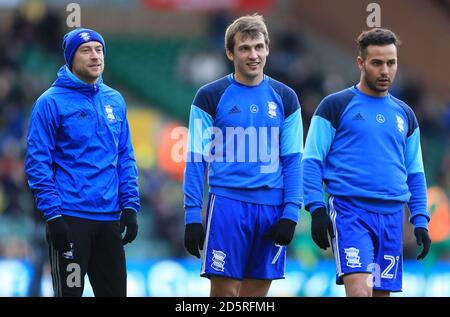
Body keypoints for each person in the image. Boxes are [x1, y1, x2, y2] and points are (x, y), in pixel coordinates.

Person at [302, 28, 431, 297]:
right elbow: (311, 160)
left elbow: (415, 173)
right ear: (361, 63)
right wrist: (316, 209)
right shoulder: (334, 106)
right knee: (360, 292)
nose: (385, 70)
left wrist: (420, 219)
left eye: (391, 63)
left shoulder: (405, 115)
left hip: (393, 218)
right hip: (351, 213)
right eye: (377, 63)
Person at [183, 14, 303, 297]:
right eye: (245, 48)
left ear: (268, 49)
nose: (254, 55)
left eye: (259, 47)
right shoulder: (209, 96)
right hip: (227, 206)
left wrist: (291, 213)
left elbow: (293, 161)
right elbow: (196, 159)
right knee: (225, 296)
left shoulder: (286, 98)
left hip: (272, 209)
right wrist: (191, 216)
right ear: (230, 52)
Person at [25, 28, 140, 297]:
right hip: (71, 218)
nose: (95, 56)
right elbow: (37, 163)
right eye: (86, 50)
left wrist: (130, 206)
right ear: (70, 59)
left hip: (110, 219)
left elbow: (125, 157)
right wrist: (53, 216)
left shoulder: (115, 100)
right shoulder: (49, 103)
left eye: (99, 50)